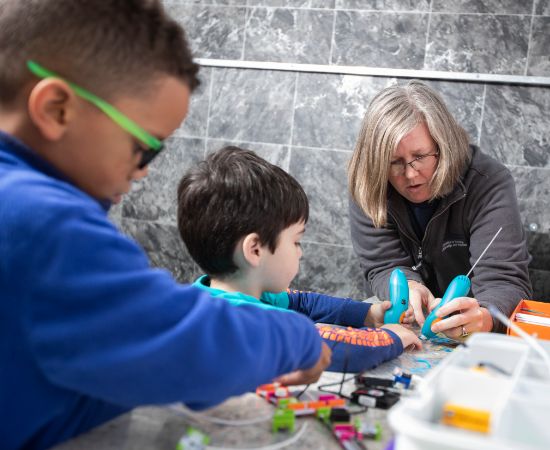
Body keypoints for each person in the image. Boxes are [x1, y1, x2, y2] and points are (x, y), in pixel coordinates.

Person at [0, 1, 331, 449]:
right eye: (145, 148)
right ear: (57, 108)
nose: (144, 172)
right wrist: (300, 339)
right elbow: (184, 346)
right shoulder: (41, 222)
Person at [176, 146, 422, 373]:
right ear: (255, 250)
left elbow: (304, 303)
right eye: (295, 241)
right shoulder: (245, 323)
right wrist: (391, 337)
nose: (300, 252)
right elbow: (330, 350)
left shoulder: (223, 294)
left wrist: (368, 314)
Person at [348, 80, 532, 339]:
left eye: (420, 156)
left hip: (474, 332)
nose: (411, 174)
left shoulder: (488, 182)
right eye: (394, 162)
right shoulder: (369, 182)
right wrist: (407, 287)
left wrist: (485, 316)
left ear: (443, 144)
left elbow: (505, 281)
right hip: (408, 325)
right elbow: (382, 264)